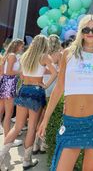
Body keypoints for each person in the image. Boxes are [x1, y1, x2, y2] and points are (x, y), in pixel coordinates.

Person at [37, 15, 93, 171]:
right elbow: (59, 87)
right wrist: (45, 119)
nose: (90, 32)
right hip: (71, 122)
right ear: (80, 32)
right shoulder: (68, 54)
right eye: (86, 29)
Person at [0, 35, 57, 170]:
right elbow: (55, 73)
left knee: (17, 126)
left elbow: (23, 75)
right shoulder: (44, 57)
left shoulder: (25, 55)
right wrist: (46, 85)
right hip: (36, 91)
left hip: (24, 89)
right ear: (44, 44)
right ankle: (26, 160)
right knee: (31, 127)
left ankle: (1, 157)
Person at [33, 34, 62, 154]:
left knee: (38, 116)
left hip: (41, 83)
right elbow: (60, 72)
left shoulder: (42, 54)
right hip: (52, 85)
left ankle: (35, 144)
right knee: (46, 116)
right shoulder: (59, 55)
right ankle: (43, 143)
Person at [0, 39, 24, 143]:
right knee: (8, 113)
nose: (22, 48)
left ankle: (7, 137)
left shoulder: (8, 55)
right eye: (22, 46)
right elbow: (8, 71)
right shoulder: (12, 56)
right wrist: (20, 72)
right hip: (9, 84)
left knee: (2, 111)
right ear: (17, 46)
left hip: (5, 83)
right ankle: (8, 139)